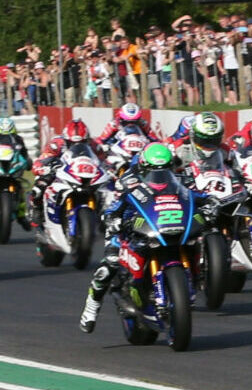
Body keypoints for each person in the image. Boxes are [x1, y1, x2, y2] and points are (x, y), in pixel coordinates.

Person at [77, 142, 217, 332]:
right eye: (154, 170)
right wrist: (112, 219)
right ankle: (91, 307)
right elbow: (113, 206)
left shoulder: (179, 179)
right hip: (130, 227)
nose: (160, 175)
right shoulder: (127, 181)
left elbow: (196, 194)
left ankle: (198, 277)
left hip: (165, 223)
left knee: (204, 236)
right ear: (143, 166)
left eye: (165, 169)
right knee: (109, 263)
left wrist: (210, 203)